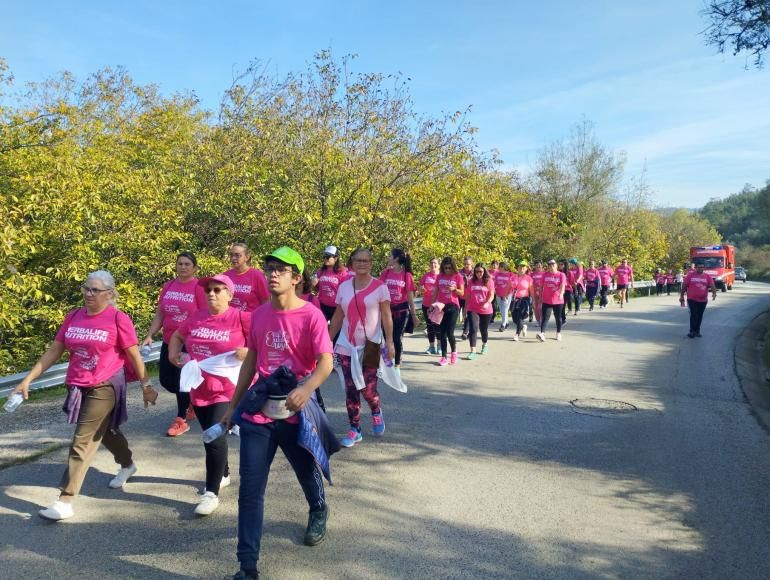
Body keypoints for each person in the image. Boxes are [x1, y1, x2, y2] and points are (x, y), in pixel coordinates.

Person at [221, 246, 335, 580]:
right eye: (270, 267)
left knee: (305, 470)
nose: (273, 273)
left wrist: (306, 388)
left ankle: (317, 508)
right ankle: (247, 567)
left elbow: (326, 362)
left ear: (296, 278)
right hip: (260, 412)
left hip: (297, 409)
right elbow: (251, 362)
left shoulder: (311, 315)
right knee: (250, 491)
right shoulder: (258, 315)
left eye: (281, 269)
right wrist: (233, 406)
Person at [12, 270, 157, 521]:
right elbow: (55, 350)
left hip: (106, 384)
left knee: (83, 439)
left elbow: (133, 355)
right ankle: (128, 464)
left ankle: (65, 500)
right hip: (78, 384)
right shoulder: (74, 317)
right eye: (86, 289)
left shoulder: (118, 318)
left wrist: (146, 385)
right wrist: (27, 380)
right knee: (107, 431)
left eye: (95, 290)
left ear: (109, 294)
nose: (89, 294)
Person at [169, 274, 251, 516]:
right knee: (211, 435)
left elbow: (259, 345)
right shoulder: (197, 316)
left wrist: (246, 351)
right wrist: (175, 355)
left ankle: (210, 493)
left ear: (230, 294)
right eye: (209, 290)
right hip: (200, 385)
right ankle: (223, 473)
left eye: (218, 289)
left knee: (213, 437)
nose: (212, 294)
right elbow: (177, 335)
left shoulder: (240, 317)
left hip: (228, 388)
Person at [329, 248, 395, 447]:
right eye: (358, 260)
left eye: (366, 260)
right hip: (346, 344)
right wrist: (326, 341)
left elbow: (386, 316)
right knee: (351, 389)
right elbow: (339, 316)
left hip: (371, 345)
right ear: (351, 263)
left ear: (371, 263)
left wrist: (390, 342)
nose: (362, 263)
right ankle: (355, 429)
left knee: (368, 389)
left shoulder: (380, 287)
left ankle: (376, 410)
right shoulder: (344, 287)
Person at [141, 251, 206, 437]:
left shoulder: (198, 287)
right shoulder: (168, 286)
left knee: (181, 381)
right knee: (166, 380)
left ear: (194, 267)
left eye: (187, 264)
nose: (183, 267)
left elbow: (205, 315)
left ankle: (181, 420)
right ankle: (192, 401)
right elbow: (161, 314)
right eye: (180, 264)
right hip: (169, 340)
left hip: (188, 343)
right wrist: (150, 334)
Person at [379, 248, 419, 372]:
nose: (388, 257)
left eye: (390, 256)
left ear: (396, 259)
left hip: (401, 310)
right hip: (386, 310)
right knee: (386, 337)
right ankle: (388, 362)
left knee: (396, 337)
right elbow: (378, 291)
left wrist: (414, 315)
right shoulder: (385, 273)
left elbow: (410, 298)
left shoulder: (406, 275)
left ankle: (397, 365)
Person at [432, 256, 465, 366]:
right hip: (441, 306)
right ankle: (444, 357)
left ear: (453, 267)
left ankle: (454, 352)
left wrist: (454, 290)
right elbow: (436, 291)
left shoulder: (458, 276)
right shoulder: (439, 276)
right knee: (442, 333)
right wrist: (432, 305)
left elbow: (462, 293)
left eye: (449, 268)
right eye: (445, 268)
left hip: (453, 306)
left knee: (449, 332)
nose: (447, 270)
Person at [224, 242, 270, 312]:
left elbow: (266, 302)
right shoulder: (225, 276)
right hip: (230, 320)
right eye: (231, 255)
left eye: (237, 255)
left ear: (247, 257)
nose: (233, 258)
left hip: (252, 320)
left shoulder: (257, 276)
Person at [465, 263, 495, 359]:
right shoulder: (471, 282)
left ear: (484, 271)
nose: (478, 273)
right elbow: (468, 296)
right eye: (476, 271)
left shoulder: (489, 281)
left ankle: (484, 344)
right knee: (473, 329)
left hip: (486, 310)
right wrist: (465, 308)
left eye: (481, 271)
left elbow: (491, 295)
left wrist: (488, 303)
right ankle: (473, 351)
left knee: (483, 330)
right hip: (473, 308)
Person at [679, 262, 717, 338]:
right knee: (693, 314)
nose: (701, 268)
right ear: (696, 268)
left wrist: (714, 293)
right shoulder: (690, 275)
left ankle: (697, 331)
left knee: (699, 315)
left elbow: (712, 285)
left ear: (704, 268)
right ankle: (692, 331)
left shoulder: (707, 276)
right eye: (699, 267)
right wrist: (682, 295)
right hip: (691, 299)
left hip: (703, 300)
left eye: (702, 267)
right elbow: (684, 285)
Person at [312, 245, 347, 324]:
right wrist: (313, 285)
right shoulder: (320, 271)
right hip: (322, 305)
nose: (325, 259)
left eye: (328, 257)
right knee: (321, 327)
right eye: (324, 256)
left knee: (335, 332)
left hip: (336, 307)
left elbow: (345, 291)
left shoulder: (342, 273)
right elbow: (316, 288)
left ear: (335, 258)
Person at [536, 260, 567, 342]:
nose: (551, 266)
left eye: (553, 264)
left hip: (558, 300)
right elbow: (541, 286)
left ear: (556, 265)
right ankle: (542, 334)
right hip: (546, 300)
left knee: (558, 318)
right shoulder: (545, 275)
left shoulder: (561, 275)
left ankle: (558, 333)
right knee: (545, 318)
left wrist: (561, 294)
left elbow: (562, 286)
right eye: (549, 264)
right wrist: (539, 297)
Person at [419, 258, 441, 354]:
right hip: (426, 304)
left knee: (437, 326)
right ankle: (432, 347)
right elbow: (419, 288)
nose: (433, 264)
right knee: (429, 326)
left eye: (435, 263)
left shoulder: (441, 276)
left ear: (439, 265)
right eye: (431, 263)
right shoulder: (426, 276)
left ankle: (440, 346)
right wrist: (421, 289)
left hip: (437, 304)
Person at [511, 260, 534, 341]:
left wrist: (533, 301)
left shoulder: (529, 278)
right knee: (514, 318)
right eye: (520, 266)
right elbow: (509, 287)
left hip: (524, 299)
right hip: (514, 299)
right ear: (518, 267)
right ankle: (523, 326)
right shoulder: (513, 276)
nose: (521, 268)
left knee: (519, 317)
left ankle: (517, 334)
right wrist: (505, 295)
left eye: (523, 267)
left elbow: (531, 290)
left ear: (526, 269)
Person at [494, 262, 513, 331]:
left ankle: (503, 324)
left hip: (507, 295)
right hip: (498, 294)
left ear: (504, 267)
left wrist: (507, 294)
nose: (498, 268)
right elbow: (494, 283)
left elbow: (511, 285)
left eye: (500, 267)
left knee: (504, 309)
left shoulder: (510, 274)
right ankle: (506, 322)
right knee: (502, 310)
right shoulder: (497, 274)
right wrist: (494, 289)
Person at [459, 256, 474, 340]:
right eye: (465, 264)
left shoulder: (475, 272)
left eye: (468, 264)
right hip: (460, 296)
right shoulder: (459, 273)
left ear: (471, 264)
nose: (466, 266)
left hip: (470, 297)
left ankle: (465, 332)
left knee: (468, 314)